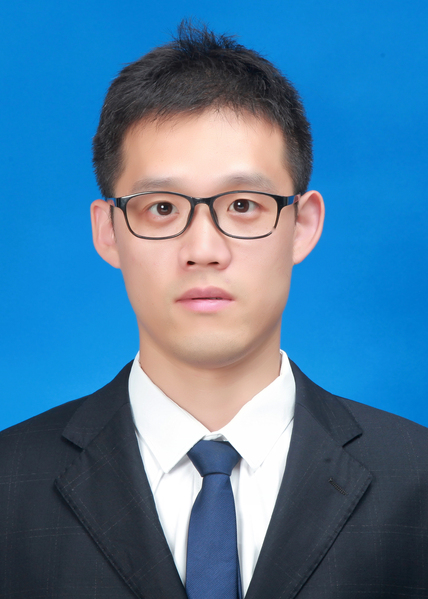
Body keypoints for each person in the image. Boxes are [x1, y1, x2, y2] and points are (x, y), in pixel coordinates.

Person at [1, 22, 428, 599]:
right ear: (108, 232)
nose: (203, 250)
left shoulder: (418, 478)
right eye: (161, 208)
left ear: (302, 225)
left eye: (244, 205)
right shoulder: (8, 484)